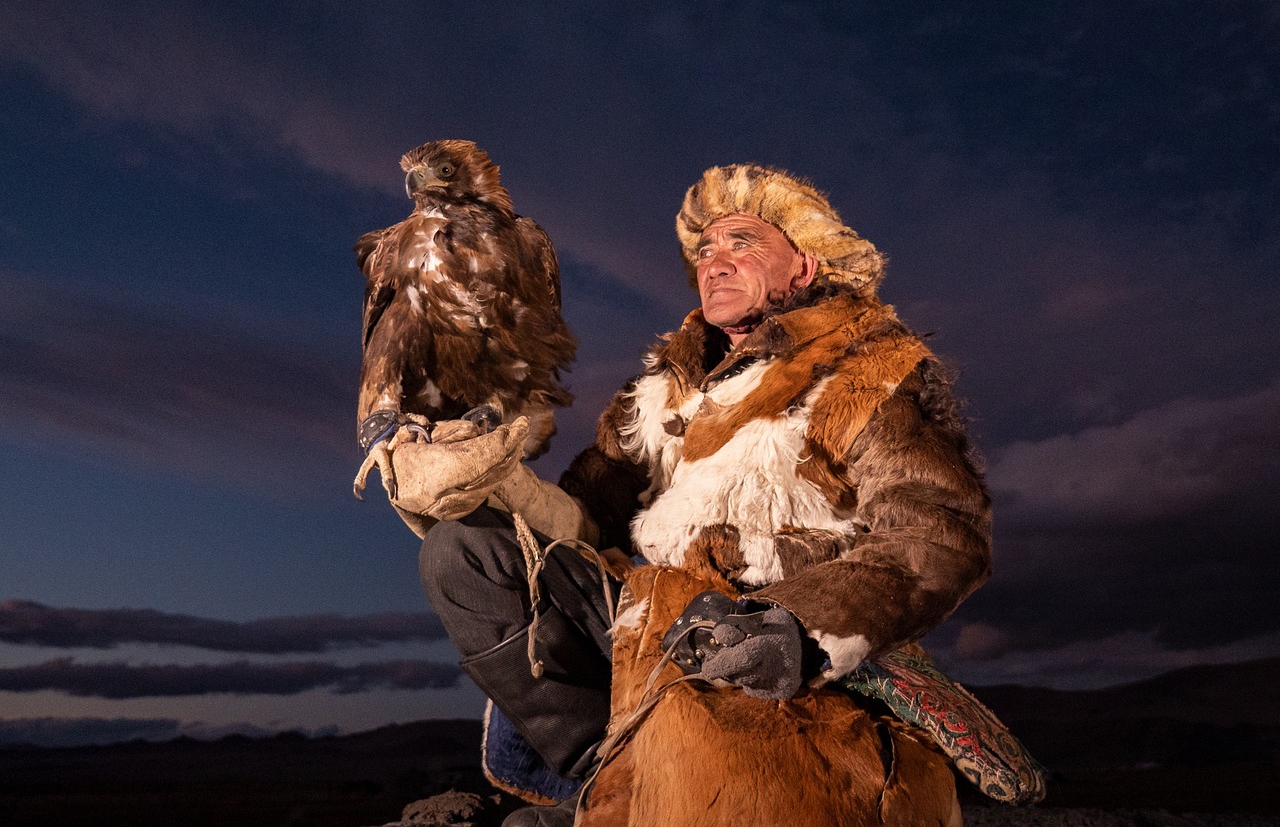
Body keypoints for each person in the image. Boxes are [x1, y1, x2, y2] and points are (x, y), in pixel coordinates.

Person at [415, 164, 993, 826]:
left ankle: (650, 784)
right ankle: (607, 771)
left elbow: (936, 533)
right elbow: (580, 515)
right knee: (461, 552)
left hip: (763, 615)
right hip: (645, 614)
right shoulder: (660, 391)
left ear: (803, 266)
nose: (713, 263)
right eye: (704, 250)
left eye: (740, 241)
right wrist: (482, 481)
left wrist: (799, 624)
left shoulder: (866, 372)